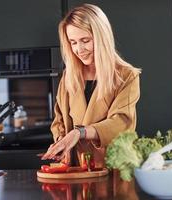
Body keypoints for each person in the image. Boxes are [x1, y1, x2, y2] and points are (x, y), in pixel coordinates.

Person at [42, 3, 141, 168]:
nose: (79, 49)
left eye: (85, 40)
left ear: (102, 37)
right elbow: (59, 120)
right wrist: (61, 143)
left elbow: (120, 122)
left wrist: (79, 133)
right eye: (73, 42)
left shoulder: (126, 76)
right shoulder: (69, 76)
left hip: (112, 169)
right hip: (77, 168)